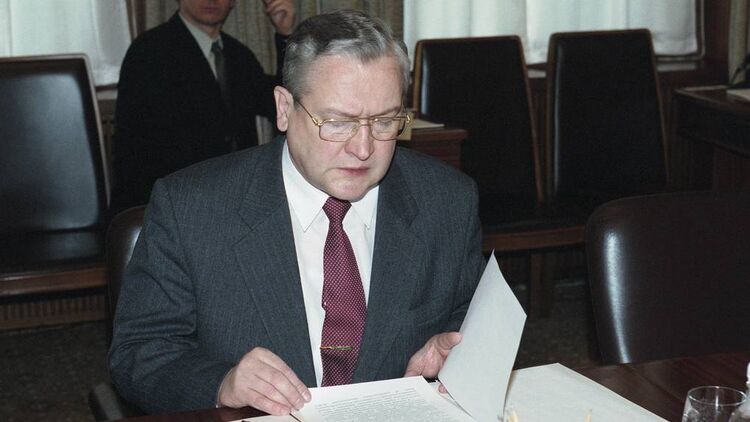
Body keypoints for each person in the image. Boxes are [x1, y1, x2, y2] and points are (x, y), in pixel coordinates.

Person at [109, 9, 485, 416]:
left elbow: (473, 318)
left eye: (384, 121)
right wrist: (221, 382)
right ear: (284, 108)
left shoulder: (447, 202)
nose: (363, 149)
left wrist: (458, 354)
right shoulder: (192, 210)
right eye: (337, 122)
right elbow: (139, 353)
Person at [110, 0, 295, 214]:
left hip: (234, 198)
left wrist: (285, 35)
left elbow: (283, 107)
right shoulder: (148, 52)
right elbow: (134, 153)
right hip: (172, 203)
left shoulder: (239, 55)